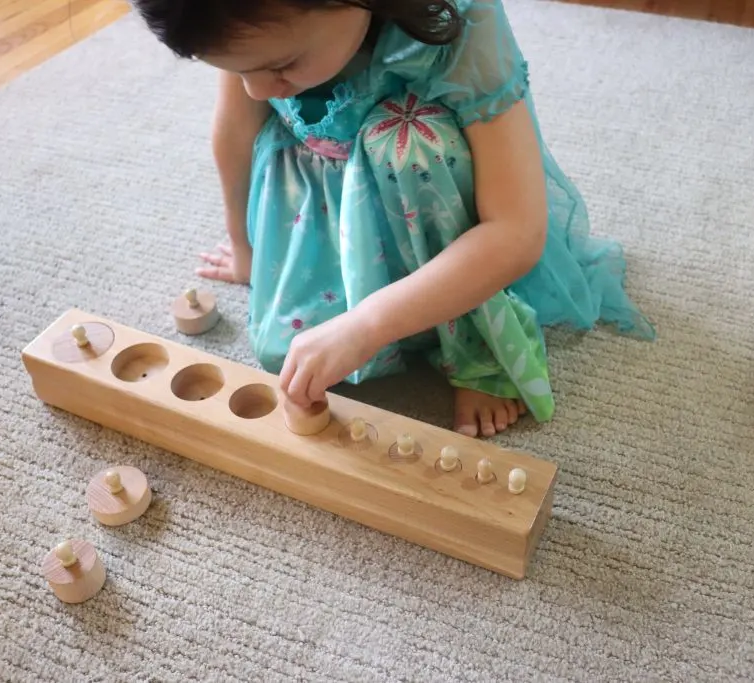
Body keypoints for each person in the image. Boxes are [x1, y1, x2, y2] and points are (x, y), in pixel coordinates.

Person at [130, 0, 655, 437]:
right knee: (285, 348)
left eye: (280, 65)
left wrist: (367, 325)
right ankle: (384, 301)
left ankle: (473, 342)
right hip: (333, 191)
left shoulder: (460, 22)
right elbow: (233, 135)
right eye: (235, 69)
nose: (258, 92)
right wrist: (244, 246)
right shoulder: (245, 25)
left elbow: (516, 232)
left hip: (430, 199)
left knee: (407, 142)